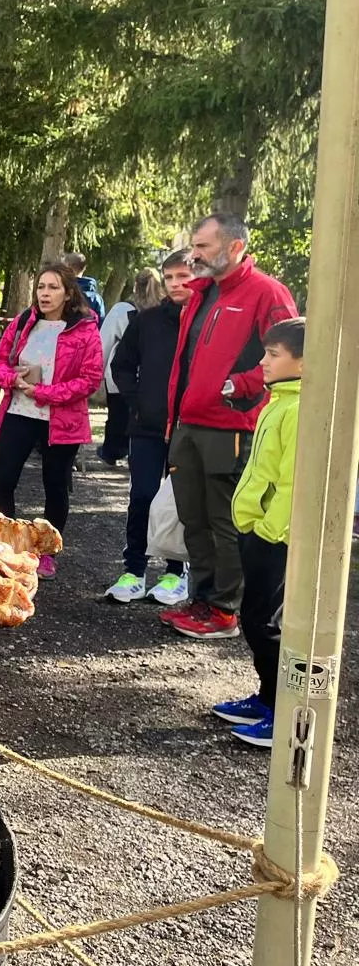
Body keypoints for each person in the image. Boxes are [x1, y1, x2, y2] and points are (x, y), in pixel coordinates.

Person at [161, 214, 298, 639]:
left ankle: (223, 610)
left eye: (202, 246)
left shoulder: (267, 291)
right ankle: (203, 600)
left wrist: (237, 386)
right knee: (194, 519)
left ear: (235, 247)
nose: (194, 254)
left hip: (231, 426)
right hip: (188, 423)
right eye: (194, 246)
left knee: (224, 521)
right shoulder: (202, 292)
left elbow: (294, 352)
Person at [211, 317, 304, 748]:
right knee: (256, 617)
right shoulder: (278, 401)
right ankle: (268, 698)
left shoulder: (299, 410)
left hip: (273, 536)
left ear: (304, 362)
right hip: (256, 530)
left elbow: (293, 481)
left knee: (265, 622)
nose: (262, 361)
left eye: (273, 354)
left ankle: (285, 713)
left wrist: (270, 529)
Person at [0, 264, 104, 579]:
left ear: (68, 293)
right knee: (2, 480)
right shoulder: (24, 321)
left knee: (55, 486)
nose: (45, 293)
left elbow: (90, 379)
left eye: (53, 287)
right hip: (19, 412)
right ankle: (5, 546)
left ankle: (47, 553)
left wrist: (45, 392)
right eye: (41, 287)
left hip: (61, 420)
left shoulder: (85, 329)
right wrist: (11, 378)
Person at [105, 252, 193, 605]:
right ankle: (134, 570)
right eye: (168, 277)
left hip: (190, 430)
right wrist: (137, 400)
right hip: (146, 427)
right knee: (142, 496)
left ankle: (176, 572)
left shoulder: (206, 321)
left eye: (183, 276)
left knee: (181, 501)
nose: (175, 284)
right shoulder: (147, 320)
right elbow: (121, 364)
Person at [96, 269, 164, 465]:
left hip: (120, 376)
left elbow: (105, 342)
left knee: (117, 416)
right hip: (151, 376)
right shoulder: (163, 309)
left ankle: (113, 451)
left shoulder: (122, 310)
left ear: (135, 286)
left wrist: (96, 373)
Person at [64, 251, 106, 324]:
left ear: (67, 266)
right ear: (84, 268)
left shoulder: (63, 293)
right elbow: (101, 323)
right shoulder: (96, 299)